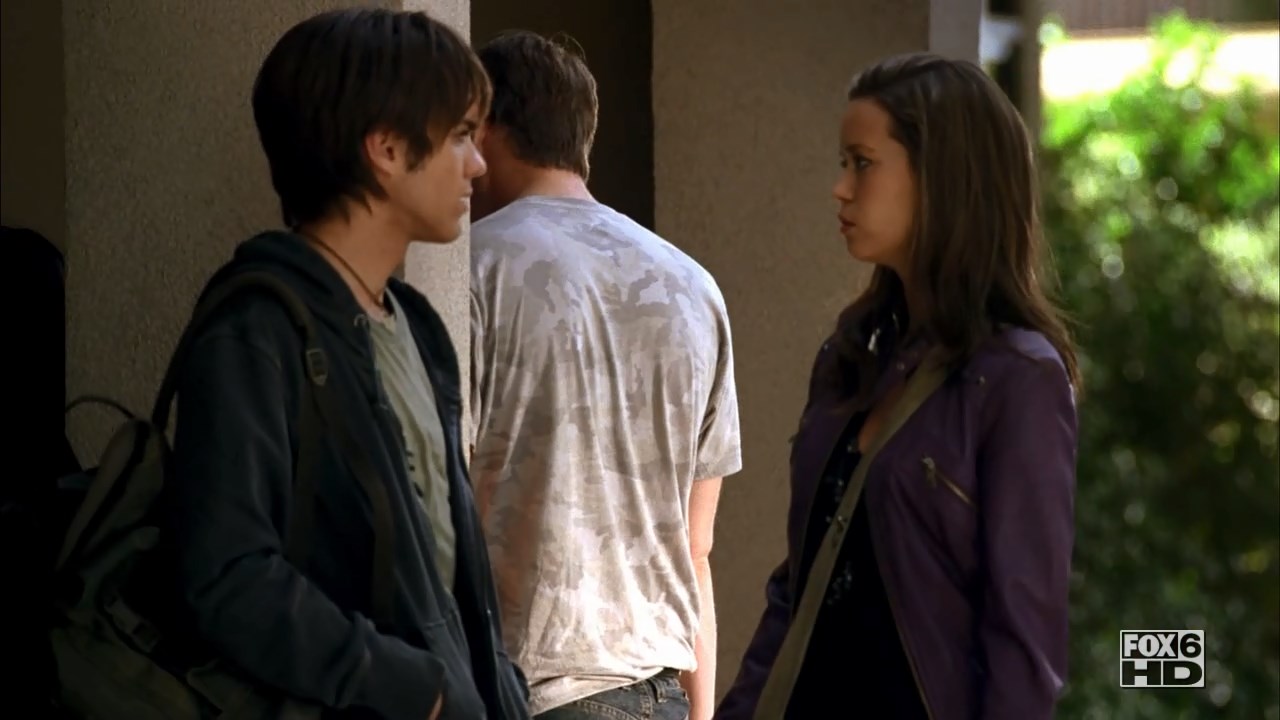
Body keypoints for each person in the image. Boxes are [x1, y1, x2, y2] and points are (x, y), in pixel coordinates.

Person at [161, 9, 529, 719]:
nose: (478, 165)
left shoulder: (415, 323)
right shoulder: (257, 329)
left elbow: (441, 564)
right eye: (459, 135)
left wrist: (493, 687)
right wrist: (414, 688)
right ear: (386, 149)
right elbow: (228, 575)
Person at [715, 53, 1081, 720]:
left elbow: (1023, 643)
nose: (840, 188)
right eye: (843, 162)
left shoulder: (1016, 378)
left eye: (862, 163)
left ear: (942, 178)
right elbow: (799, 589)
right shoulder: (853, 356)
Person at [468, 30, 743, 720]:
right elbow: (696, 547)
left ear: (488, 127)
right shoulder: (693, 288)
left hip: (535, 692)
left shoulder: (476, 269)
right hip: (662, 690)